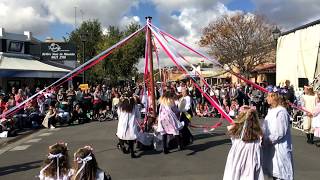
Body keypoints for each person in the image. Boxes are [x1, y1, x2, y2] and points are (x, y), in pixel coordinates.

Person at [223, 106, 264, 180]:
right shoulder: (258, 136)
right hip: (252, 165)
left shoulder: (235, 134)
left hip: (237, 164)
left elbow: (232, 134)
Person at [262, 92, 293, 180]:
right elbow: (265, 127)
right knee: (274, 172)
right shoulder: (271, 111)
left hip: (279, 147)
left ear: (274, 98)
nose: (266, 98)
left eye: (268, 96)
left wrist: (266, 140)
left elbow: (280, 132)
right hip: (270, 147)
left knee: (280, 173)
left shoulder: (281, 112)